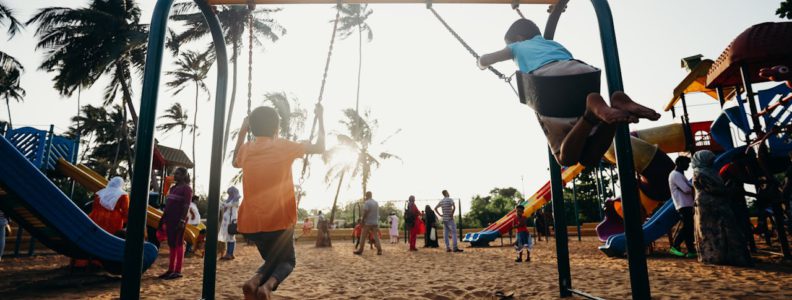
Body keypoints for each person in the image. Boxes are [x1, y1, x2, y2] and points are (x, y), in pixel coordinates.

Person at [478, 19, 659, 167]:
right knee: (589, 159)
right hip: (583, 75)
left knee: (566, 159)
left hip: (550, 83)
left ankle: (590, 111)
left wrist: (481, 63)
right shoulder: (552, 43)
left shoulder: (516, 47)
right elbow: (564, 64)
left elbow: (488, 59)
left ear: (518, 38)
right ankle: (615, 105)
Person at [233, 104, 325, 299]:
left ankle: (254, 281)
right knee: (288, 261)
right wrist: (320, 117)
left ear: (252, 128)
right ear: (277, 129)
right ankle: (265, 287)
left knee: (273, 260)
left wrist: (242, 132)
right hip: (279, 219)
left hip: (252, 222)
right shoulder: (283, 146)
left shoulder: (247, 149)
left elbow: (234, 161)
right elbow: (320, 147)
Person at [692, 150, 751, 266]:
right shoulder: (700, 173)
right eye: (710, 160)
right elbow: (713, 189)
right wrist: (729, 190)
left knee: (725, 229)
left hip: (719, 203)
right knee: (712, 231)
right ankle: (715, 257)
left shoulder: (711, 172)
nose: (712, 162)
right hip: (708, 206)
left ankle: (729, 256)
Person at [158, 167, 193, 280]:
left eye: (177, 174)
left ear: (184, 175)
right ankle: (170, 269)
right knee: (171, 243)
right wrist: (163, 218)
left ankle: (177, 271)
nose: (175, 176)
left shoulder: (186, 189)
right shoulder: (173, 188)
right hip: (169, 219)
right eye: (175, 174)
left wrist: (182, 220)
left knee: (178, 243)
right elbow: (168, 205)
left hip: (179, 220)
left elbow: (186, 205)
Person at [668, 156, 696, 258]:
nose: (688, 166)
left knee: (689, 228)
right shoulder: (675, 175)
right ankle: (675, 246)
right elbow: (686, 189)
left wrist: (689, 186)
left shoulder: (680, 175)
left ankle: (691, 250)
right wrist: (691, 186)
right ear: (679, 163)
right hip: (683, 204)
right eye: (686, 163)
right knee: (687, 227)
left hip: (686, 204)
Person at [219, 186, 240, 260]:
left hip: (231, 222)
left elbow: (226, 205)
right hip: (227, 221)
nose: (229, 194)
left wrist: (221, 203)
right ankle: (229, 253)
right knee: (228, 238)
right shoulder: (230, 200)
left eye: (230, 193)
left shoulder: (235, 200)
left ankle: (230, 254)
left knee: (231, 238)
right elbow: (223, 205)